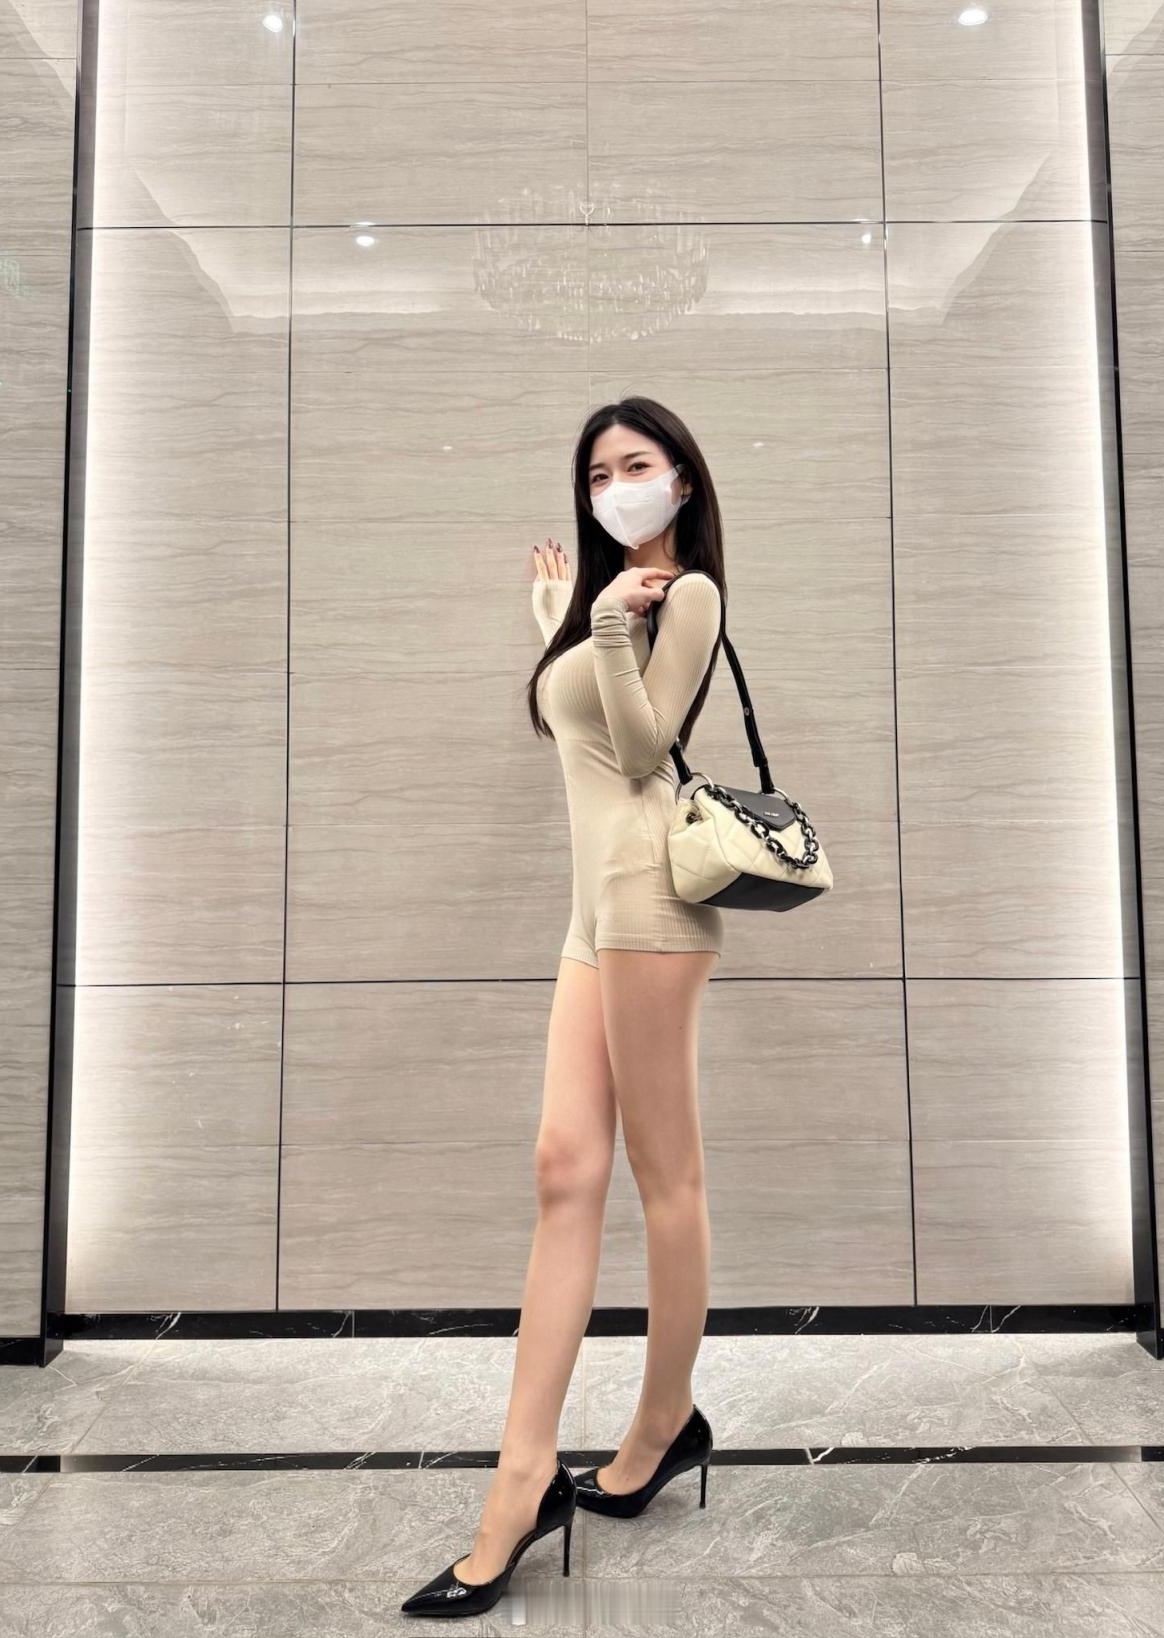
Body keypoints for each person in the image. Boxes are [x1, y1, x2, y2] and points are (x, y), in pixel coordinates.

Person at [401, 397, 724, 1619]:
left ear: (682, 481)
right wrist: (562, 631)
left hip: (648, 906)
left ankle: (660, 1421)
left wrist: (598, 628)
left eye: (636, 465)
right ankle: (528, 1474)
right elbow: (581, 737)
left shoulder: (685, 596)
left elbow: (643, 755)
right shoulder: (605, 605)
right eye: (597, 473)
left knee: (664, 1177)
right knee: (560, 1168)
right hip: (591, 914)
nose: (614, 486)